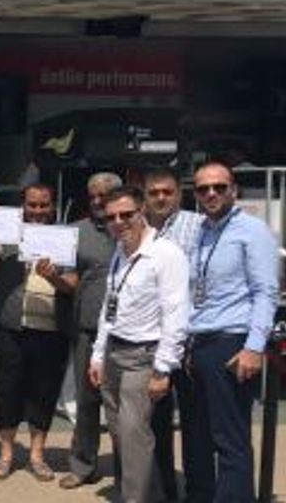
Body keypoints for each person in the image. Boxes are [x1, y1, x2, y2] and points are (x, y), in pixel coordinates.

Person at [177, 162, 280, 503]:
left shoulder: (253, 231)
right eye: (203, 188)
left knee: (229, 438)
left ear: (233, 190)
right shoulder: (201, 232)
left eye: (219, 187)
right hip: (198, 344)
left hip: (231, 342)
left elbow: (266, 292)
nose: (211, 193)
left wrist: (254, 347)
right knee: (197, 435)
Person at [87, 186, 188, 503]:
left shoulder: (166, 254)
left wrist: (162, 369)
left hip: (144, 356)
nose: (118, 222)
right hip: (114, 352)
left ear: (142, 211)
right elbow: (109, 307)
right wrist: (98, 354)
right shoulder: (120, 251)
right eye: (111, 217)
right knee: (120, 433)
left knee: (133, 435)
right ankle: (151, 495)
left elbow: (176, 315)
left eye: (126, 214)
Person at [0, 183, 77, 482]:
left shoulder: (63, 239)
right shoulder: (7, 236)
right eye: (32, 205)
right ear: (22, 206)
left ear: (53, 206)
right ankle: (6, 454)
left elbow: (72, 285)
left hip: (51, 331)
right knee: (7, 391)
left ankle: (37, 455)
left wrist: (54, 277)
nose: (38, 211)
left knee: (43, 393)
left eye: (43, 205)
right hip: (10, 328)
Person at [141, 167, 203, 499]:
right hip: (151, 342)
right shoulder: (138, 228)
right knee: (156, 424)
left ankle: (197, 491)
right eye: (154, 193)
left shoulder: (198, 225)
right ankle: (165, 490)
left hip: (191, 340)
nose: (161, 198)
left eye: (167, 192)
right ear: (145, 196)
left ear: (179, 193)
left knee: (195, 424)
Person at [61, 171, 121, 491]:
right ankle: (83, 465)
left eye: (104, 195)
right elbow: (70, 280)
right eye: (93, 195)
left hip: (128, 334)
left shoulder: (133, 227)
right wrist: (52, 275)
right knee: (86, 402)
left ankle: (128, 471)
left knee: (123, 406)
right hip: (87, 329)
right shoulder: (76, 231)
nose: (97, 201)